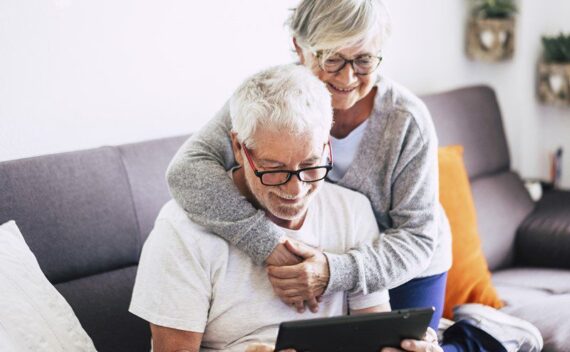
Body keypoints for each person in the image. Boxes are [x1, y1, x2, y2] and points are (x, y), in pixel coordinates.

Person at [131, 65, 542, 352]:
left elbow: (378, 328)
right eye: (274, 171)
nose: (295, 190)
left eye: (311, 166)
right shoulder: (181, 232)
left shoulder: (351, 210)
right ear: (239, 147)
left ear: (328, 144)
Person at [167, 0, 450, 329]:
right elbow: (186, 172)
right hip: (305, 264)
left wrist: (332, 272)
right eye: (331, 59)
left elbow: (417, 238)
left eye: (363, 60)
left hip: (401, 266)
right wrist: (269, 245)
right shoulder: (267, 102)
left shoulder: (406, 120)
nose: (347, 77)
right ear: (298, 48)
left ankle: (476, 339)